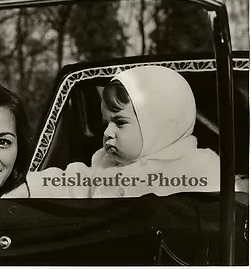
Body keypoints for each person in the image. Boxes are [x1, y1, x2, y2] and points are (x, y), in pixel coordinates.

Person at [26, 65, 222, 198]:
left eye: (119, 122)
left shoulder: (200, 167)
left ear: (157, 126)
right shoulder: (103, 164)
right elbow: (66, 184)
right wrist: (27, 188)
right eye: (106, 123)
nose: (107, 133)